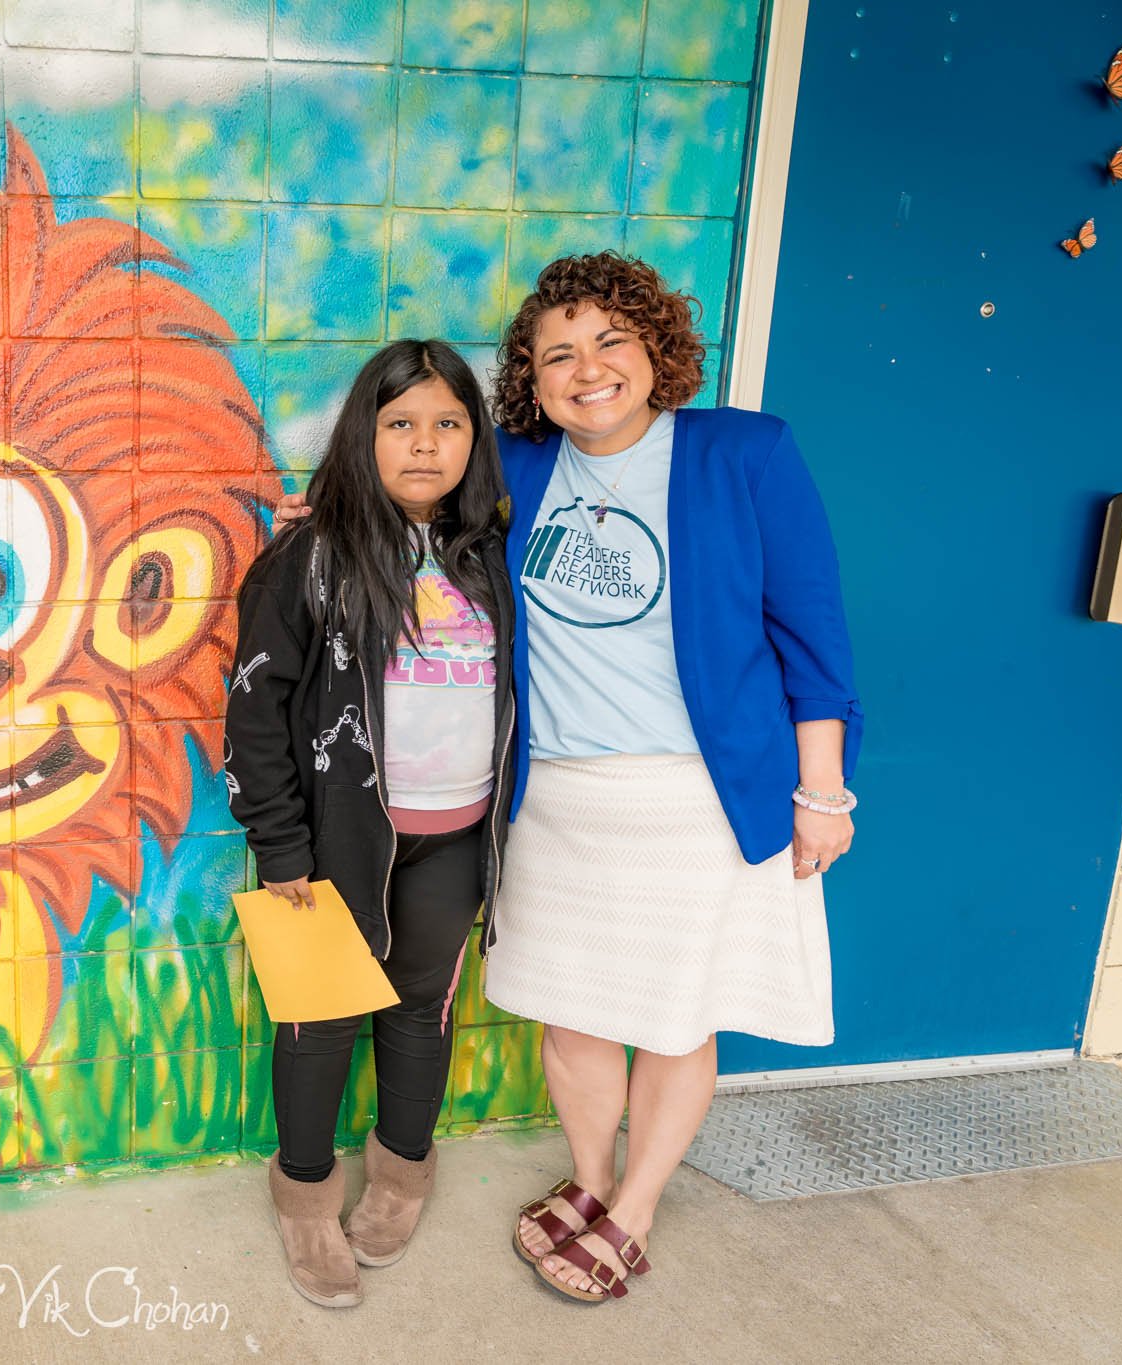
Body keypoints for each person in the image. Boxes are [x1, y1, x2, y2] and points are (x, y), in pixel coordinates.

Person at [275, 253, 861, 1304]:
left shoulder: (744, 454)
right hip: (550, 802)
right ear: (530, 382)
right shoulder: (517, 469)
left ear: (654, 350)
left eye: (609, 343)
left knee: (680, 1017)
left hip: (696, 796)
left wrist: (821, 792)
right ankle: (589, 1184)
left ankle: (633, 1210)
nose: (587, 369)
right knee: (575, 1012)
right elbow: (403, 492)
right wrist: (317, 526)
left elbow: (810, 634)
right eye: (557, 354)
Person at [225, 339, 516, 1308]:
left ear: (474, 438)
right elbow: (253, 709)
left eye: (446, 424)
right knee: (317, 1022)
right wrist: (279, 844)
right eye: (399, 424)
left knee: (417, 1012)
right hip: (336, 846)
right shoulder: (310, 556)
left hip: (457, 837)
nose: (424, 445)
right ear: (365, 434)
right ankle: (305, 1197)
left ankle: (399, 1178)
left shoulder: (490, 554)